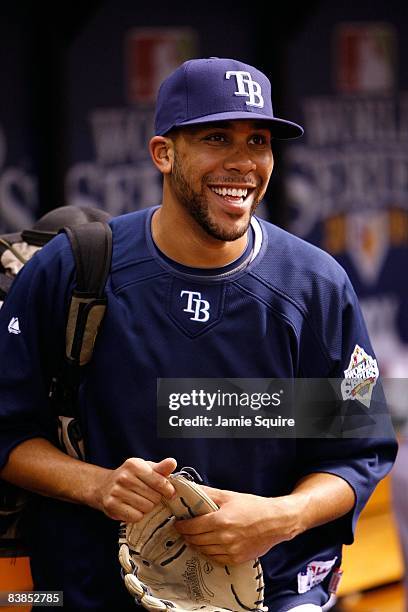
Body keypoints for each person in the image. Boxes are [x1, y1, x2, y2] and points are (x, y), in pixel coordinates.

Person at [0, 57, 397, 612]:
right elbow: (7, 433)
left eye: (258, 141)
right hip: (87, 592)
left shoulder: (316, 286)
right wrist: (97, 485)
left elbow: (359, 450)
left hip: (274, 593)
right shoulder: (71, 269)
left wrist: (278, 518)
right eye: (217, 138)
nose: (243, 162)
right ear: (163, 153)